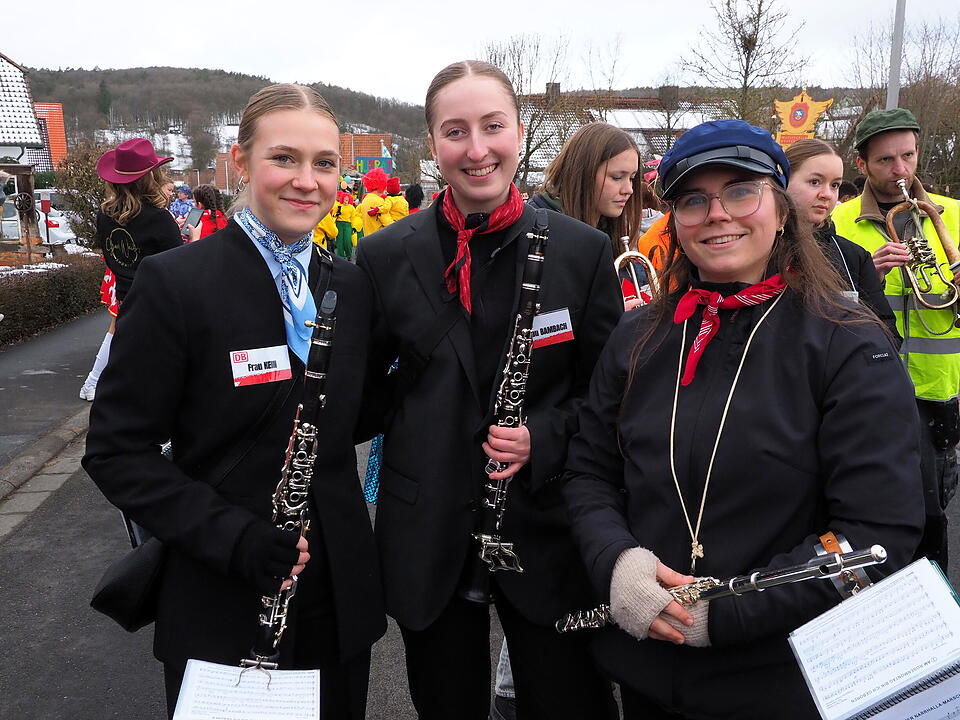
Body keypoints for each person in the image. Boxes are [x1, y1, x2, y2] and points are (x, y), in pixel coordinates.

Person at [563, 119, 924, 719]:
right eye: (693, 200)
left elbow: (876, 530)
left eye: (740, 191)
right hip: (648, 669)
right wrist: (617, 562)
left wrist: (725, 612)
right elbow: (589, 472)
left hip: (783, 679)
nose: (717, 214)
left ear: (781, 211)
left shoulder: (848, 342)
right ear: (676, 221)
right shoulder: (638, 337)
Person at [82, 84, 385, 720]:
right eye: (284, 158)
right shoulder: (177, 283)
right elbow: (116, 451)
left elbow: (351, 419)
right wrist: (235, 538)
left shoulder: (351, 287)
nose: (307, 181)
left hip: (337, 603)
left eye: (325, 163)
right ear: (241, 162)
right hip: (222, 594)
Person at [356, 60, 622, 720]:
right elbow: (366, 398)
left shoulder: (582, 251)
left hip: (548, 530)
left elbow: (610, 399)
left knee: (568, 705)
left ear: (519, 131)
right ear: (433, 142)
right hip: (429, 530)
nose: (477, 149)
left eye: (493, 126)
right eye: (455, 131)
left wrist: (544, 437)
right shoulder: (383, 256)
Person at [833, 108, 960, 569]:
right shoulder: (838, 220)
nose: (901, 170)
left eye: (908, 156)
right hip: (866, 390)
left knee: (932, 510)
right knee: (870, 511)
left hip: (937, 387)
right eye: (886, 160)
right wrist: (866, 274)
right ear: (862, 164)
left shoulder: (953, 213)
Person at [78, 138, 183, 401]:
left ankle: (97, 385)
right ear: (151, 178)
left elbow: (110, 256)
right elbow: (178, 264)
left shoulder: (104, 215)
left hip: (126, 293)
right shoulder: (159, 218)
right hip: (159, 299)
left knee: (126, 348)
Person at [784, 138, 899, 342]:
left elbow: (886, 334)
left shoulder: (853, 257)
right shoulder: (756, 252)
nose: (827, 194)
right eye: (815, 182)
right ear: (782, 181)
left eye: (835, 185)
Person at [530, 122, 651, 309]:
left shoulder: (614, 233)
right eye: (617, 177)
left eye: (632, 178)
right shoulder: (536, 234)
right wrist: (609, 318)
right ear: (583, 173)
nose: (629, 189)